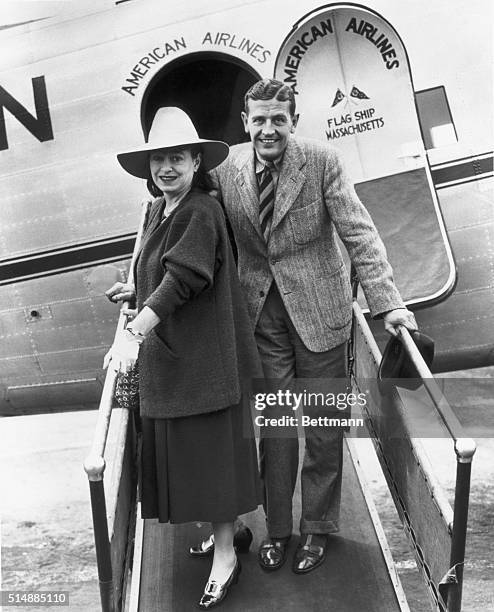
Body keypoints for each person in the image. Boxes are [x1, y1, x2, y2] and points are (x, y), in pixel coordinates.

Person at [209, 78, 417, 574]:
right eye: (258, 120)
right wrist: (138, 280)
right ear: (245, 123)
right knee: (277, 431)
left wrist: (388, 302)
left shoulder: (321, 161)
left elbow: (360, 233)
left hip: (322, 313)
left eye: (278, 119)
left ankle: (318, 528)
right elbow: (181, 214)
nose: (268, 129)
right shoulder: (226, 167)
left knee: (323, 428)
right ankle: (277, 529)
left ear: (293, 121)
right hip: (264, 316)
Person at [104, 107, 261, 609]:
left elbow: (185, 277)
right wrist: (135, 286)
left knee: (211, 459)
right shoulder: (159, 210)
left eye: (177, 157)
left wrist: (133, 334)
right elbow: (161, 268)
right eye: (158, 159)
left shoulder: (200, 209)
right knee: (198, 459)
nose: (166, 167)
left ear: (197, 161)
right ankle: (225, 535)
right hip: (179, 359)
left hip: (206, 361)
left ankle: (225, 558)